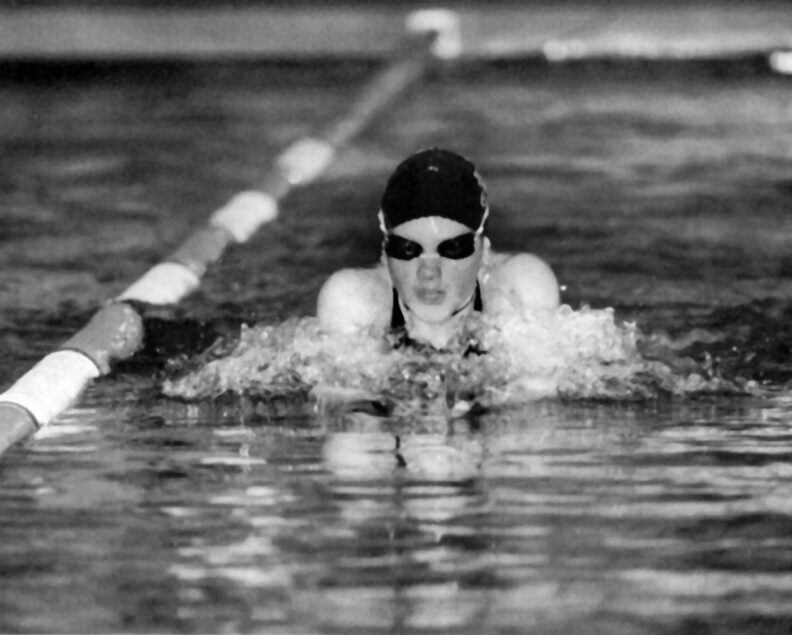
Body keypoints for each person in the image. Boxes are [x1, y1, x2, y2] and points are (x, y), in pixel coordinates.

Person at [317, 147, 560, 350]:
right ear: (385, 253)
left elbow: (536, 402)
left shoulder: (518, 291)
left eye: (452, 248)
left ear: (483, 252)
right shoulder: (354, 301)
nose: (429, 271)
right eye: (408, 249)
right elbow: (347, 404)